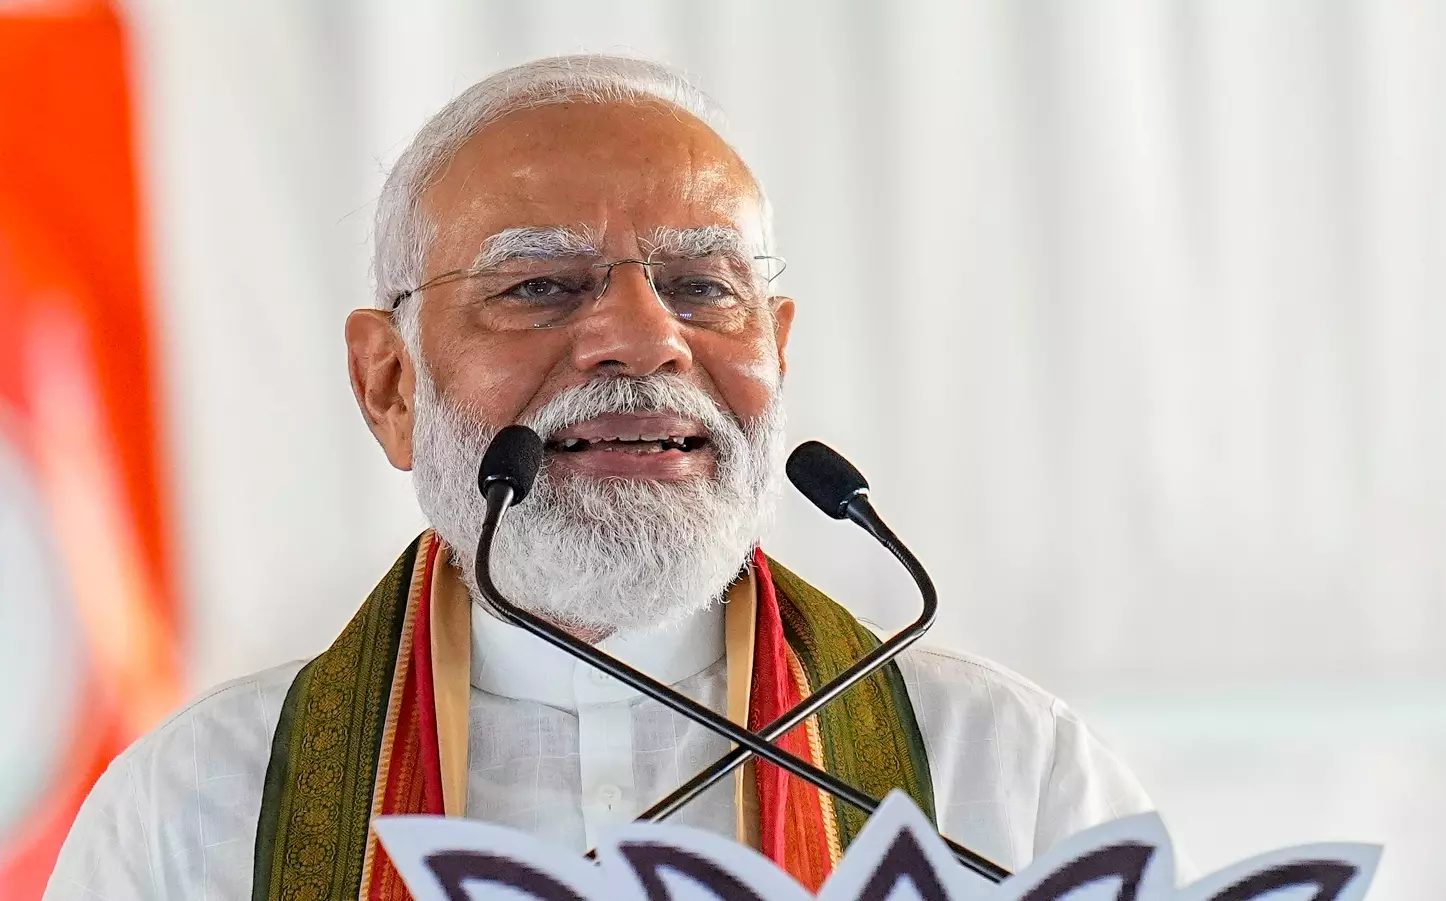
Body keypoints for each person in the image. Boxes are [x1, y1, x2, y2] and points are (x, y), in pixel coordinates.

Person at [45, 55, 1151, 901]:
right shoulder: (199, 806)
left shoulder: (1007, 771)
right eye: (539, 285)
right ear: (389, 385)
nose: (644, 339)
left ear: (779, 353)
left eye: (703, 286)